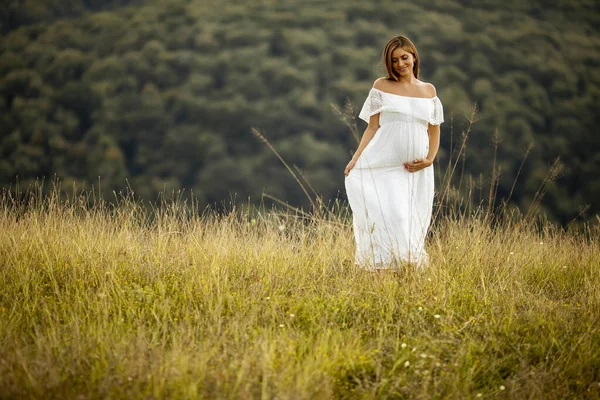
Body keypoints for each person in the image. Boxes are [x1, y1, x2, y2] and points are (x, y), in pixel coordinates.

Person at [344, 35, 444, 270]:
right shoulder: (381, 86)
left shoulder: (429, 91)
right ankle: (383, 271)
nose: (400, 64)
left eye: (404, 57)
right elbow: (372, 126)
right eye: (394, 60)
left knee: (410, 223)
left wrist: (429, 160)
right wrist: (355, 158)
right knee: (393, 218)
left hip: (414, 170)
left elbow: (434, 131)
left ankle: (404, 276)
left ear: (413, 56)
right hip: (383, 165)